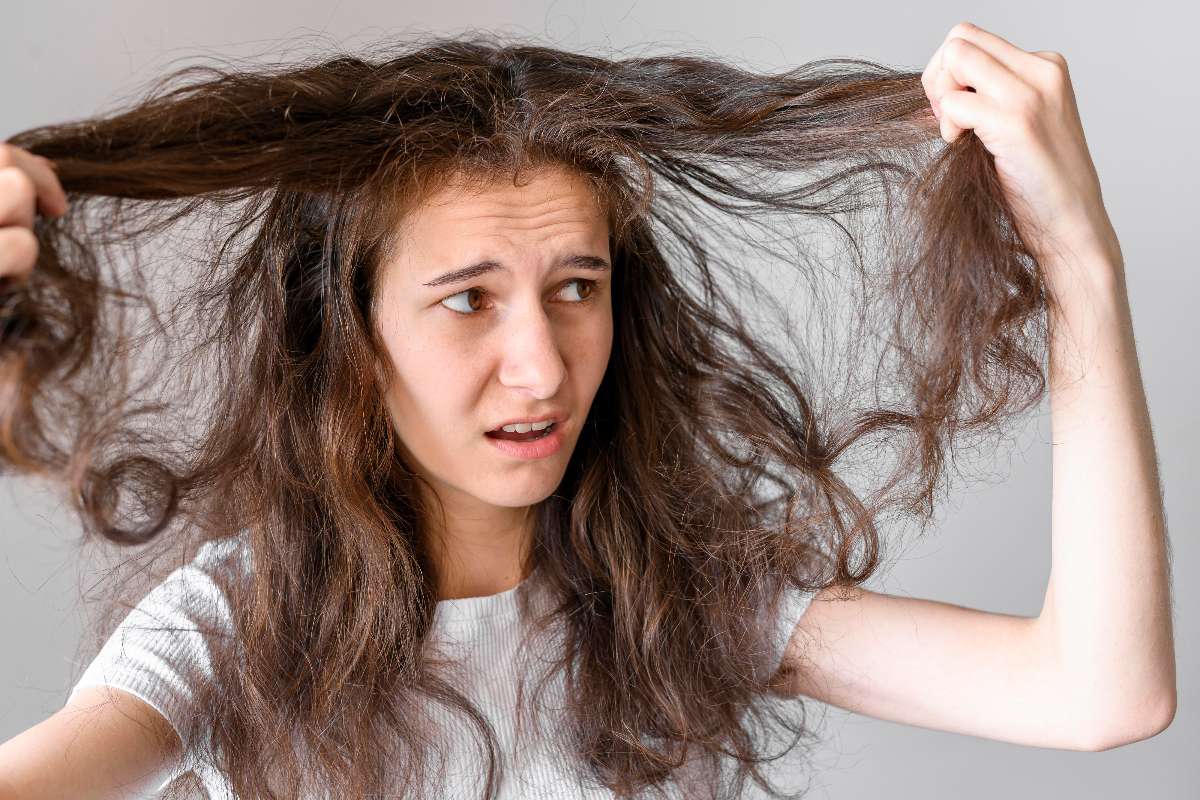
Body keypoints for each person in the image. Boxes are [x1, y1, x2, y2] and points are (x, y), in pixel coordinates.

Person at [0, 21, 1175, 800]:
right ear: (348, 343)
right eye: (468, 300)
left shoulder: (678, 600)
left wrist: (1080, 262)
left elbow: (1096, 690)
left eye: (577, 288)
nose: (543, 368)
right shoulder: (225, 635)